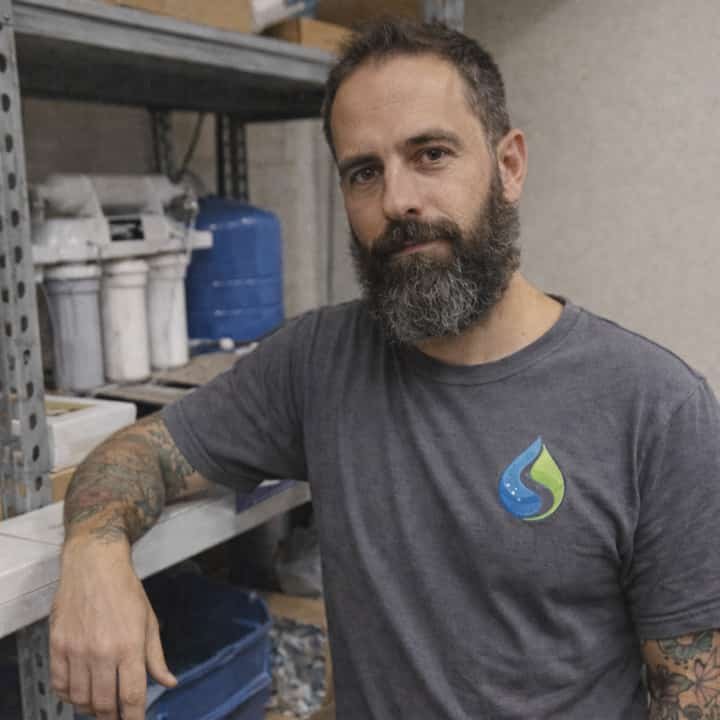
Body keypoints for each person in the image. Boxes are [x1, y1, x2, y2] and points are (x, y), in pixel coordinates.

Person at [50, 17, 720, 720]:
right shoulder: (318, 362)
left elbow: (692, 695)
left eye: (431, 154)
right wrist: (94, 551)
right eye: (364, 172)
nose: (397, 200)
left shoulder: (655, 408)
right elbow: (143, 452)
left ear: (510, 166)